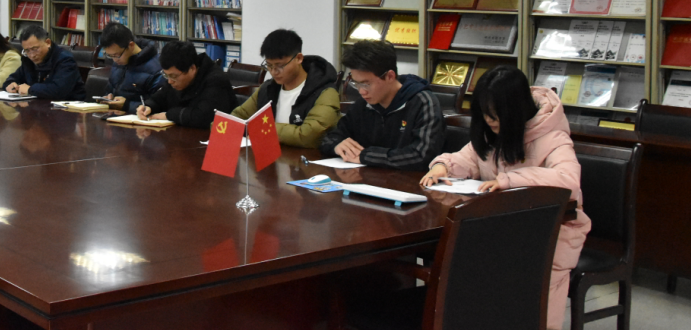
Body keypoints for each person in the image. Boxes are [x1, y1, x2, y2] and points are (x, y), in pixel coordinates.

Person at [420, 66, 591, 330]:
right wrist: (442, 166)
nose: (490, 120)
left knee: (526, 303)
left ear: (516, 108)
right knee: (465, 270)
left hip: (548, 233)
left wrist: (510, 180)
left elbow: (568, 181)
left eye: (496, 113)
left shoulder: (553, 138)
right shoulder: (493, 133)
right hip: (499, 227)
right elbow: (468, 157)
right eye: (485, 113)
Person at [318, 40, 444, 171]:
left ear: (390, 76)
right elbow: (330, 137)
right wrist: (337, 145)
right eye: (356, 84)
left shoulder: (423, 103)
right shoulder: (363, 104)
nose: (361, 91)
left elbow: (422, 156)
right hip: (366, 177)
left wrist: (367, 156)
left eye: (366, 84)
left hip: (410, 181)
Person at [232, 29, 340, 148]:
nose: (274, 72)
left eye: (280, 66)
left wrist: (265, 129)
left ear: (299, 58)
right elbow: (235, 119)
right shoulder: (268, 88)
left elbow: (308, 136)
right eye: (269, 65)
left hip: (305, 158)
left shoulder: (325, 92)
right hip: (271, 155)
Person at [137, 40, 234, 128]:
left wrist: (169, 115)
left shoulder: (216, 80)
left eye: (173, 76)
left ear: (192, 68)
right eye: (166, 75)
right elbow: (159, 98)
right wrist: (148, 107)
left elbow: (205, 117)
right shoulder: (175, 79)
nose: (170, 81)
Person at [4, 25, 85, 100]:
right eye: (27, 51)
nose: (32, 55)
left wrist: (30, 89)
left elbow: (59, 90)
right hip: (38, 105)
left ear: (48, 43)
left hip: (67, 107)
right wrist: (10, 84)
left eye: (35, 49)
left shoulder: (65, 60)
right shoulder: (28, 60)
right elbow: (12, 78)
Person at [99, 22, 163, 113]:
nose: (114, 60)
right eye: (110, 56)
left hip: (138, 119)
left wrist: (127, 105)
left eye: (116, 55)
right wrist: (109, 97)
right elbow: (110, 89)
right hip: (115, 116)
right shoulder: (119, 62)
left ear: (131, 45)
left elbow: (159, 106)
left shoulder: (156, 69)